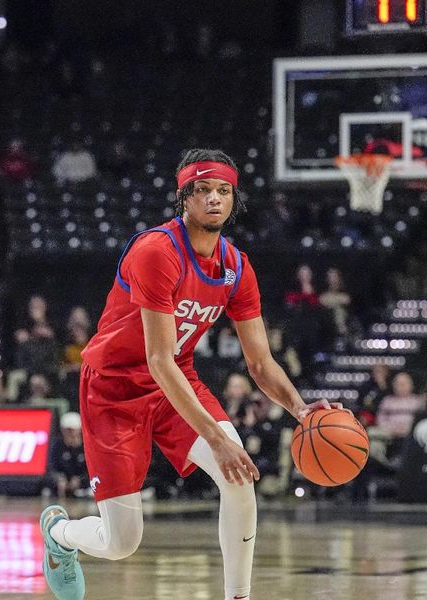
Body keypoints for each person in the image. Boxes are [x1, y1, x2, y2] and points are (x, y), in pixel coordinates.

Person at [39, 149, 340, 600]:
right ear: (185, 198)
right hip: (114, 389)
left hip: (175, 383)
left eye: (223, 191)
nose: (213, 199)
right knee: (121, 543)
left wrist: (300, 409)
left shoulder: (237, 268)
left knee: (238, 476)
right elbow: (157, 359)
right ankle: (60, 534)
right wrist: (217, 439)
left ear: (234, 200)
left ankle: (238, 596)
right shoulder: (157, 252)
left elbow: (259, 363)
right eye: (202, 190)